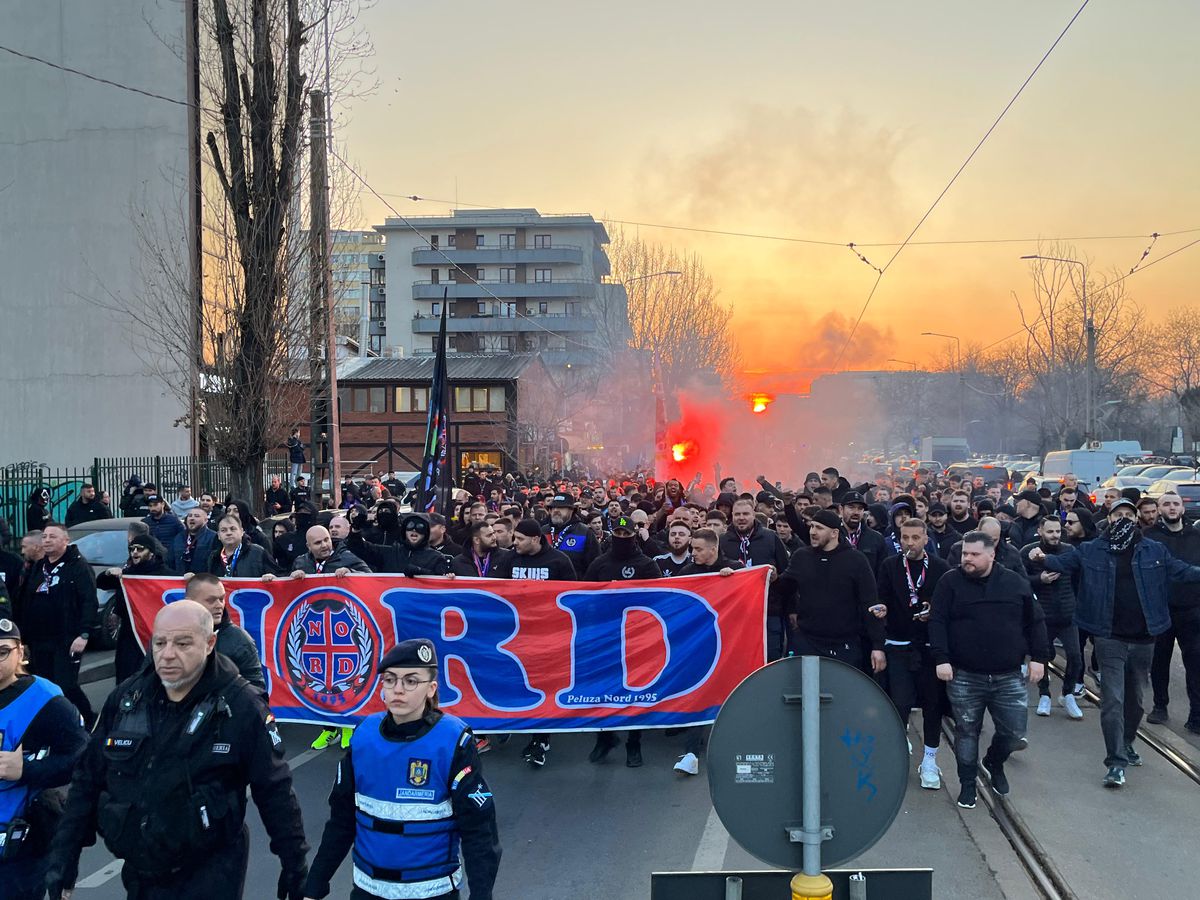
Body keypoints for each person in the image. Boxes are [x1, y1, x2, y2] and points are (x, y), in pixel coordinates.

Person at [44, 601, 310, 900]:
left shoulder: (241, 706)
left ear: (209, 643)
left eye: (183, 643)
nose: (168, 654)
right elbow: (87, 781)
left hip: (210, 874)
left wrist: (294, 864)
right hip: (140, 874)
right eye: (160, 642)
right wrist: (64, 859)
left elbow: (274, 790)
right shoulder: (127, 699)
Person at [302, 639, 501, 899]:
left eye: (410, 681)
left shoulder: (453, 742)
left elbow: (480, 834)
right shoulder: (363, 737)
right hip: (368, 892)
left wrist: (481, 895)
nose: (398, 690)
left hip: (432, 894)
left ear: (431, 689)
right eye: (390, 680)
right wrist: (314, 886)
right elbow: (341, 821)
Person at [1032, 498, 1200, 787]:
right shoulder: (1091, 550)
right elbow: (1063, 562)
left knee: (1135, 701)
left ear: (1136, 519)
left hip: (1145, 636)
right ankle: (1115, 762)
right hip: (1109, 636)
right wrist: (1040, 557)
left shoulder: (1154, 550)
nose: (1122, 518)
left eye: (1127, 514)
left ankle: (1127, 741)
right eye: (1116, 514)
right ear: (1108, 520)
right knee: (1113, 699)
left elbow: (1183, 572)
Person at [930, 530, 1050, 809]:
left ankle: (994, 761)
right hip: (964, 675)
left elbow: (1035, 621)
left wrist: (1039, 658)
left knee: (1013, 732)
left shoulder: (1014, 582)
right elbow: (937, 621)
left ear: (992, 554)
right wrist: (941, 658)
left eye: (974, 554)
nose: (967, 559)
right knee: (966, 730)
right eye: (964, 554)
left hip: (1008, 675)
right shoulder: (950, 582)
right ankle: (968, 783)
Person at [0, 617, 90, 899]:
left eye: (2, 651)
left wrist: (26, 770)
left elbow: (82, 758)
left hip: (19, 849)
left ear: (20, 653)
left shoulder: (44, 700)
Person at [583, 514, 663, 768]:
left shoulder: (646, 565)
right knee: (604, 690)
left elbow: (660, 599)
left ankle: (634, 742)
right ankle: (605, 737)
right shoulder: (599, 564)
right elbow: (582, 596)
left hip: (637, 637)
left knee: (634, 691)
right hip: (605, 636)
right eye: (617, 534)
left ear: (634, 536)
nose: (621, 538)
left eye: (626, 534)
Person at [876, 519, 950, 790]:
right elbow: (880, 597)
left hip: (929, 645)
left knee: (933, 705)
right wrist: (880, 610)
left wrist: (933, 612)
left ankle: (929, 759)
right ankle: (898, 745)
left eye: (915, 538)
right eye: (905, 537)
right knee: (900, 701)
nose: (910, 543)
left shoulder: (941, 568)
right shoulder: (890, 566)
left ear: (925, 538)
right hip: (897, 643)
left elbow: (946, 606)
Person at [494, 521, 575, 768]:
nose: (514, 542)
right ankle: (510, 723)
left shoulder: (559, 561)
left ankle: (541, 738)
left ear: (535, 539)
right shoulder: (510, 560)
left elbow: (573, 596)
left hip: (548, 637)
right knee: (514, 682)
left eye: (519, 538)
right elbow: (492, 590)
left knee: (543, 687)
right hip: (515, 635)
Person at [777, 508, 885, 673]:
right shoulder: (801, 557)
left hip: (844, 645)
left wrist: (878, 646)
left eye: (819, 528)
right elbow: (783, 590)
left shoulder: (856, 560)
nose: (813, 532)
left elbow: (869, 602)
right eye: (812, 526)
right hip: (807, 641)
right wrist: (769, 579)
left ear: (834, 533)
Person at [17, 524, 97, 730]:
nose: (47, 540)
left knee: (66, 684)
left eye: (53, 536)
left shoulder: (78, 566)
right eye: (44, 536)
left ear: (66, 540)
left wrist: (84, 634)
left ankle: (88, 720)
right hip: (39, 638)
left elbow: (89, 601)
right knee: (43, 683)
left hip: (66, 638)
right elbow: (26, 599)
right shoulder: (39, 566)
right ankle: (52, 723)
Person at [1144, 492, 1200, 732]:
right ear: (1159, 509)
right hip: (1161, 610)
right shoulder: (1149, 537)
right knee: (1159, 660)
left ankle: (1197, 714)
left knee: (1196, 663)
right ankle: (1160, 705)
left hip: (1192, 610)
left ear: (1183, 509)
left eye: (1176, 503)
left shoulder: (1196, 536)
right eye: (1166, 504)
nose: (1172, 507)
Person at [1019, 517, 1085, 720]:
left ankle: (1067, 694)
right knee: (1043, 656)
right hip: (1043, 615)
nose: (1055, 535)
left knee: (1075, 656)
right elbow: (1020, 581)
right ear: (1040, 531)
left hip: (1067, 613)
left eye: (1057, 531)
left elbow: (1078, 577)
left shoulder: (1069, 551)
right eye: (1050, 532)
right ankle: (1044, 694)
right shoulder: (1027, 552)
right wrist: (1040, 580)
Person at [98, 532, 175, 684]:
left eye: (140, 549)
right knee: (127, 673)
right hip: (129, 631)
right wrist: (108, 573)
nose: (134, 552)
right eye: (132, 549)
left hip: (155, 631)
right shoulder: (127, 574)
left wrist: (188, 579)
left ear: (151, 553)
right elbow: (101, 583)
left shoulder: (164, 574)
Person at [720, 498, 790, 660]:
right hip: (735, 614)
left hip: (768, 611)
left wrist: (776, 577)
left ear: (754, 515)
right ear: (731, 516)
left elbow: (787, 572)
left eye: (746, 514)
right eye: (737, 514)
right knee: (739, 660)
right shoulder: (723, 541)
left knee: (770, 659)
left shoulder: (771, 538)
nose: (741, 518)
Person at [182, 574, 266, 693]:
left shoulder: (240, 640)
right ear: (190, 602)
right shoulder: (168, 635)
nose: (219, 605)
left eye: (221, 599)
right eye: (211, 600)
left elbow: (257, 693)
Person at [346, 512, 453, 577]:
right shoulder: (389, 553)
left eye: (420, 527)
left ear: (425, 533)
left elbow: (441, 584)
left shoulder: (436, 557)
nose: (414, 530)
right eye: (410, 526)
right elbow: (360, 548)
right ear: (404, 531)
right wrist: (355, 530)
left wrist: (421, 572)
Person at [203, 515, 281, 579]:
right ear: (219, 535)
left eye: (233, 529)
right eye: (223, 530)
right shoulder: (213, 557)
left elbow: (280, 575)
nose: (228, 533)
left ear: (242, 532)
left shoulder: (258, 552)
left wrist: (273, 577)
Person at [543, 493, 601, 578]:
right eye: (552, 507)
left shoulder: (584, 533)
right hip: (546, 587)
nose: (555, 510)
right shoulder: (543, 531)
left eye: (560, 507)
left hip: (574, 588)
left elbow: (595, 566)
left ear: (571, 510)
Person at [290, 525, 371, 577]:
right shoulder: (300, 562)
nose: (324, 545)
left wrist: (351, 572)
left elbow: (372, 578)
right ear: (309, 546)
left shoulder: (348, 557)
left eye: (326, 540)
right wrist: (291, 578)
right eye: (318, 543)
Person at [169, 507, 218, 573]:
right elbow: (170, 560)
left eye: (197, 516)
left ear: (206, 520)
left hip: (203, 580)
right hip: (181, 579)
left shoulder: (214, 537)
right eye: (190, 516)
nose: (192, 518)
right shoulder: (179, 537)